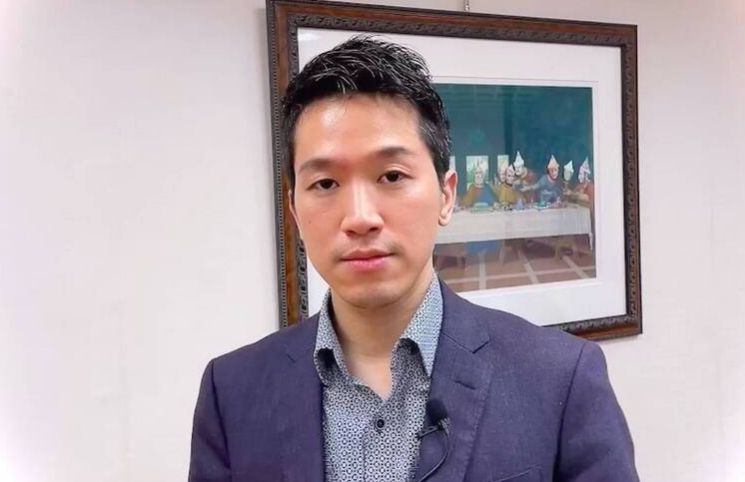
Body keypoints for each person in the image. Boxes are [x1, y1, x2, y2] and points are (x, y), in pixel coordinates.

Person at [188, 36, 638, 482]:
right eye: (325, 184)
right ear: (294, 211)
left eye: (391, 176)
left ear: (446, 195)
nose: (360, 218)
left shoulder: (560, 377)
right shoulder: (232, 393)